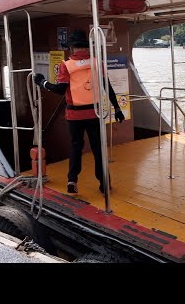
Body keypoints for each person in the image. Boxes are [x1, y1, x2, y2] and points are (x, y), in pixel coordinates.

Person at [33, 29, 125, 195]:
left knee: (76, 146)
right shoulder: (97, 63)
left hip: (75, 115)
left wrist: (42, 82)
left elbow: (60, 90)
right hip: (94, 114)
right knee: (98, 149)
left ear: (72, 48)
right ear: (88, 47)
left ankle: (72, 180)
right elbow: (107, 87)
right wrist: (117, 108)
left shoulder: (66, 65)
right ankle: (104, 184)